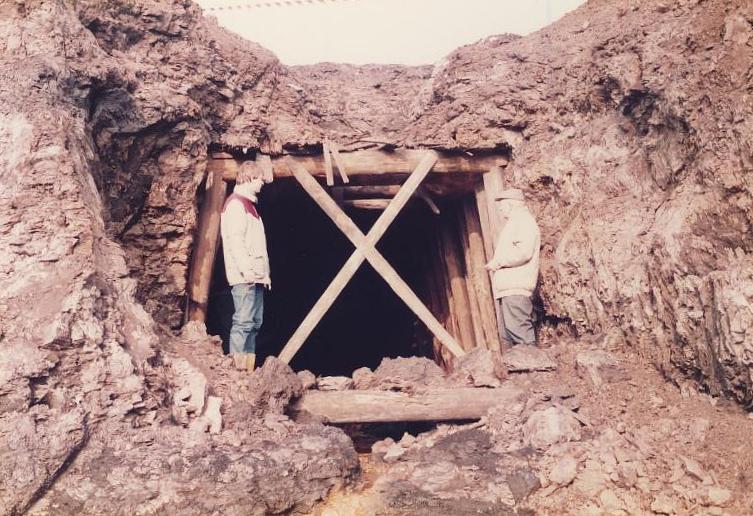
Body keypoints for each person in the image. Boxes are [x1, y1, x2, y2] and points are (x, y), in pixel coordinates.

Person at [220, 162, 270, 371]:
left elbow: (257, 244)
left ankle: (247, 370)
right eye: (259, 178)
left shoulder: (250, 206)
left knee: (254, 323)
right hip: (245, 277)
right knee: (243, 322)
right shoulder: (236, 204)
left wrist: (264, 275)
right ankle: (238, 371)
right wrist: (246, 270)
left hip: (256, 276)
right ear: (248, 178)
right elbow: (236, 241)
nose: (262, 182)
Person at [485, 188, 540, 346]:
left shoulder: (524, 222)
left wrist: (498, 262)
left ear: (511, 205)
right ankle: (524, 361)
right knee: (510, 335)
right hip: (509, 289)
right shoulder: (516, 222)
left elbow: (524, 252)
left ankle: (533, 361)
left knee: (520, 333)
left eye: (502, 206)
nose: (500, 210)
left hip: (516, 289)